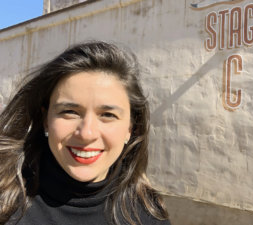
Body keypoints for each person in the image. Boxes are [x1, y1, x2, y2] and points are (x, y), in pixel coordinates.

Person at [0, 41, 171, 225]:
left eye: (107, 115)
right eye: (70, 112)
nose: (86, 133)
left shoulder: (148, 213)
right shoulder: (6, 205)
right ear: (46, 121)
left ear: (131, 129)